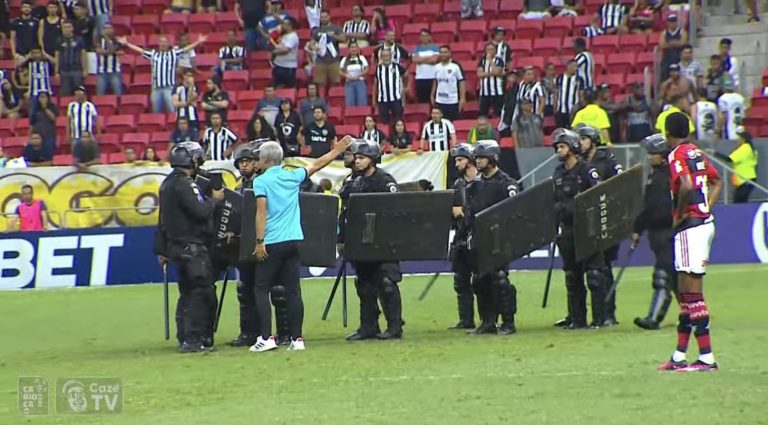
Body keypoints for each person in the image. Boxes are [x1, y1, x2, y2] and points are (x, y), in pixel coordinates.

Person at [249, 138, 352, 352]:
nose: (256, 161)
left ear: (266, 160)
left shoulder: (260, 182)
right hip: (293, 240)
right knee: (293, 291)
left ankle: (266, 338)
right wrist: (337, 151)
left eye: (258, 157)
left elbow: (261, 212)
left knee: (260, 289)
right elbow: (317, 164)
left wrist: (259, 241)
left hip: (273, 241)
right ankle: (297, 339)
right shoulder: (292, 176)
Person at [658, 112, 722, 372]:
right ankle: (679, 356)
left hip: (690, 227)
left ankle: (706, 357)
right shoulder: (695, 152)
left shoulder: (675, 155)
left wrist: (680, 214)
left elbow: (684, 185)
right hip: (704, 224)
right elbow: (716, 180)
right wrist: (706, 206)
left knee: (691, 294)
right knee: (687, 294)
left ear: (666, 133)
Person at [154, 141, 221, 353]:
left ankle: (184, 336)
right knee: (199, 293)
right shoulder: (185, 183)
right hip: (192, 247)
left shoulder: (167, 183)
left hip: (176, 246)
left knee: (187, 292)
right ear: (193, 159)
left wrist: (162, 248)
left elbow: (162, 220)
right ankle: (194, 340)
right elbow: (200, 210)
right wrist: (214, 200)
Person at [338, 140, 403, 341]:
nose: (357, 161)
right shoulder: (353, 181)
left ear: (373, 160)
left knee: (386, 282)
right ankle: (368, 326)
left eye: (361, 158)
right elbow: (345, 212)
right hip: (361, 240)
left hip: (383, 241)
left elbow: (395, 210)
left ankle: (394, 326)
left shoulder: (385, 181)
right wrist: (342, 239)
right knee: (364, 284)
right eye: (356, 158)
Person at [551, 128, 606, 329]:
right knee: (572, 277)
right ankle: (577, 319)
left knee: (594, 276)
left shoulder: (587, 170)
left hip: (587, 228)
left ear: (572, 148)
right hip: (567, 230)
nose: (558, 150)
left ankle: (599, 319)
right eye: (557, 147)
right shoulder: (558, 172)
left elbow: (599, 194)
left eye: (562, 146)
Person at [463, 140, 520, 335]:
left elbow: (514, 211)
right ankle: (487, 321)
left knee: (500, 280)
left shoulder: (507, 184)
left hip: (499, 239)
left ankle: (508, 322)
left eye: (481, 157)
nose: (477, 161)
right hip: (479, 239)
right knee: (479, 281)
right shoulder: (474, 185)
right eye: (476, 158)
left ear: (493, 158)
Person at [575, 124, 623, 325]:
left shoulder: (607, 160)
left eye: (583, 139)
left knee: (604, 268)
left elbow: (622, 181)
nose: (580, 143)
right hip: (586, 223)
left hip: (606, 219)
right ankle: (584, 314)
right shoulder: (578, 163)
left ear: (593, 140)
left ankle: (609, 312)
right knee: (589, 270)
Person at [632, 134, 677, 330]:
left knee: (662, 276)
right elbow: (648, 206)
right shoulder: (654, 176)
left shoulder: (673, 175)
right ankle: (693, 314)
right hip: (655, 234)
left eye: (653, 153)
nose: (650, 157)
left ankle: (653, 318)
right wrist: (637, 228)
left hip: (670, 232)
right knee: (675, 277)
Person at [117, 34, 207, 114]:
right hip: (156, 89)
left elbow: (185, 49)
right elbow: (140, 50)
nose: (163, 44)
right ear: (159, 44)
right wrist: (127, 44)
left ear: (168, 44)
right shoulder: (153, 54)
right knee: (156, 113)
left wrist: (198, 42)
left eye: (165, 42)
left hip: (169, 88)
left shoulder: (173, 53)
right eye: (161, 42)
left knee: (173, 112)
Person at [448, 143, 477, 329]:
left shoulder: (484, 182)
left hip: (479, 236)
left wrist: (466, 212)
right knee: (460, 280)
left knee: (484, 281)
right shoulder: (457, 185)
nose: (457, 164)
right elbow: (454, 209)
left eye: (460, 159)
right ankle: (466, 320)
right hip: (461, 236)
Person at [713, 126, 758, 203]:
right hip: (749, 178)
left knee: (738, 201)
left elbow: (730, 159)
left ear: (743, 139)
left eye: (739, 138)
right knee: (742, 200)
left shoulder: (745, 148)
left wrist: (715, 153)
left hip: (745, 179)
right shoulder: (751, 148)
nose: (738, 140)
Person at [309, 10, 345, 92]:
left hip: (334, 60)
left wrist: (333, 35)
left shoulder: (336, 28)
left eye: (325, 17)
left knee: (336, 83)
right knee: (320, 84)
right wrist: (314, 47)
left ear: (329, 17)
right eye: (322, 17)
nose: (323, 19)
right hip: (320, 61)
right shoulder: (316, 31)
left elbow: (344, 39)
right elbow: (311, 43)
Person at [372, 48, 407, 126]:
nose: (386, 57)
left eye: (387, 55)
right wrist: (374, 99)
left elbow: (407, 75)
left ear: (391, 56)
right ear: (381, 57)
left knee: (398, 121)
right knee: (384, 122)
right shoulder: (378, 68)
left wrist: (407, 87)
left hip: (396, 99)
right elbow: (375, 84)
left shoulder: (397, 67)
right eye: (384, 56)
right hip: (382, 100)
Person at [432, 45, 466, 121]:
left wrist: (462, 98)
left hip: (453, 100)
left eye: (445, 52)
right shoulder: (436, 67)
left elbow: (461, 81)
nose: (443, 54)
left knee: (454, 122)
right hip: (440, 101)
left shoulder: (455, 66)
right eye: (441, 52)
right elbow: (435, 81)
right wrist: (432, 95)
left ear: (450, 53)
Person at [54, 20, 86, 96]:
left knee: (79, 92)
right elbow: (57, 56)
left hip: (77, 70)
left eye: (69, 27)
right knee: (65, 93)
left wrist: (85, 69)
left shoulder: (79, 40)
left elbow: (83, 55)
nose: (67, 29)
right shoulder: (59, 40)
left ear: (72, 28)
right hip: (64, 71)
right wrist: (56, 71)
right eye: (65, 27)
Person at [554, 59, 585, 129]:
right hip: (561, 109)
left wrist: (580, 107)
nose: (576, 69)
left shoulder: (579, 79)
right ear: (568, 66)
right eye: (574, 66)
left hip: (573, 110)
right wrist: (555, 107)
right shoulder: (560, 78)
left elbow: (581, 94)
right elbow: (556, 93)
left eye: (576, 66)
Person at [412, 29, 440, 104]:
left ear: (429, 37)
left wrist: (421, 60)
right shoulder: (417, 49)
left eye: (425, 36)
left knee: (433, 100)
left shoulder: (435, 47)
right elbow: (415, 60)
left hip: (432, 77)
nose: (423, 38)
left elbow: (434, 60)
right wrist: (428, 58)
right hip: (420, 78)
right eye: (422, 36)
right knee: (422, 101)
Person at [477, 42, 505, 118]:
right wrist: (491, 73)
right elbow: (479, 74)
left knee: (498, 114)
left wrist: (490, 60)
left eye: (492, 49)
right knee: (483, 114)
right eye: (488, 49)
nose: (490, 51)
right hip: (484, 93)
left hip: (497, 93)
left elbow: (496, 71)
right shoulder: (482, 61)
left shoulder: (499, 60)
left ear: (495, 50)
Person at [95, 23, 123, 96]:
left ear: (113, 30)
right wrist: (112, 52)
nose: (107, 30)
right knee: (99, 95)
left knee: (118, 94)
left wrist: (106, 38)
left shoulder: (117, 40)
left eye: (109, 28)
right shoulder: (99, 41)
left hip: (115, 72)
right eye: (105, 28)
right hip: (102, 72)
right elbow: (98, 51)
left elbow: (112, 49)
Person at [270, 18, 299, 88]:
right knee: (277, 87)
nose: (282, 25)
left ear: (290, 26)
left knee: (288, 88)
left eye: (284, 24)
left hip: (287, 68)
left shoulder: (293, 37)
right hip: (278, 66)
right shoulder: (283, 36)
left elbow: (285, 50)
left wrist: (273, 52)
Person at [716, 75, 746, 141]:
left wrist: (718, 130)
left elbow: (723, 116)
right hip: (741, 131)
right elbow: (744, 115)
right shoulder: (741, 98)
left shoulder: (723, 98)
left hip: (729, 131)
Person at [340, 42, 369, 107]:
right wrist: (346, 76)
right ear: (349, 49)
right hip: (349, 83)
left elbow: (367, 69)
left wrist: (359, 75)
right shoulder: (345, 59)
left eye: (355, 47)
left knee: (362, 102)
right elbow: (340, 71)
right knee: (350, 102)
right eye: (352, 47)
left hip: (360, 82)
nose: (353, 49)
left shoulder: (361, 58)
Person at [659, 15, 687, 81]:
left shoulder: (682, 31)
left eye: (674, 21)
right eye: (671, 22)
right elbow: (662, 45)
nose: (672, 23)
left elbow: (683, 43)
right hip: (667, 58)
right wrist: (676, 43)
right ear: (668, 23)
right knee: (664, 73)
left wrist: (670, 43)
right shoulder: (664, 33)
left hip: (679, 57)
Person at [30, 90, 57, 156]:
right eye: (41, 97)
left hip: (49, 134)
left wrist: (45, 108)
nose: (43, 99)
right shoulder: (35, 108)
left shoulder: (52, 106)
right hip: (37, 135)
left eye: (44, 97)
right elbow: (31, 122)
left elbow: (53, 118)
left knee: (48, 153)